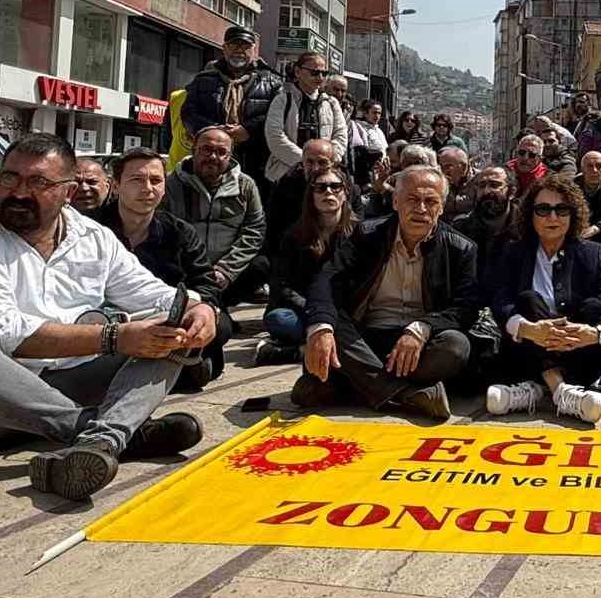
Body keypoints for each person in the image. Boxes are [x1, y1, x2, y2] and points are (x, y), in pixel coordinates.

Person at [0, 135, 214, 500]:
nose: (18, 192)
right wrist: (114, 337)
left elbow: (151, 293)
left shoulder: (94, 237)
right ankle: (110, 434)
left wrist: (198, 308)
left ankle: (97, 442)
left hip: (66, 385)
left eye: (38, 183)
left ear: (68, 192)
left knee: (170, 326)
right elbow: (10, 335)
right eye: (9, 178)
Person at [296, 166, 477, 420]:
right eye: (412, 199)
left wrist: (422, 328)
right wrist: (321, 328)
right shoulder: (366, 235)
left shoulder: (461, 248)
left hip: (418, 347)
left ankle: (354, 382)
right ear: (395, 201)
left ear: (442, 206)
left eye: (430, 201)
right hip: (365, 337)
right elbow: (326, 280)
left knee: (456, 347)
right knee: (331, 325)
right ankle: (408, 395)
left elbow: (465, 309)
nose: (421, 209)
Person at [487, 174, 601, 422]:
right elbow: (500, 298)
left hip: (582, 350)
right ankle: (562, 392)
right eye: (543, 209)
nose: (553, 217)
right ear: (530, 214)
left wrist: (594, 333)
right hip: (526, 348)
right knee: (528, 299)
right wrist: (527, 329)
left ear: (573, 214)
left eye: (561, 209)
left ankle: (536, 390)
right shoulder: (513, 252)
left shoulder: (594, 252)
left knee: (595, 305)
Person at [95, 148, 226, 380]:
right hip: (105, 323)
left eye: (156, 180)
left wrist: (200, 311)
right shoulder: (89, 229)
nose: (147, 188)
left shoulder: (180, 232)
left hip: (164, 317)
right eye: (136, 179)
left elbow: (206, 284)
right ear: (115, 185)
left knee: (219, 323)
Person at [162, 127, 266, 376]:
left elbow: (255, 229)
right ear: (193, 150)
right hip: (185, 276)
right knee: (217, 346)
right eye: (206, 150)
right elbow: (162, 232)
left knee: (262, 265)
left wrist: (226, 269)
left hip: (226, 275)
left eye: (221, 152)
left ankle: (218, 311)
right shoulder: (170, 185)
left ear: (230, 156)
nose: (213, 157)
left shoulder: (246, 186)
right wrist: (195, 274)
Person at [256, 162, 359, 365]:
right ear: (311, 195)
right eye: (320, 187)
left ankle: (298, 351)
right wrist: (314, 308)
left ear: (346, 192)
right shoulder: (294, 235)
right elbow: (281, 285)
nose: (328, 192)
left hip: (347, 309)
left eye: (335, 186)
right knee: (279, 319)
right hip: (305, 308)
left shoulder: (361, 232)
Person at [181, 25, 283, 194]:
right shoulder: (203, 80)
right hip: (210, 162)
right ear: (224, 48)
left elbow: (277, 118)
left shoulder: (272, 83)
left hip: (257, 165)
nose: (239, 51)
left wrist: (248, 130)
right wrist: (215, 133)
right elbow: (188, 114)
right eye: (234, 45)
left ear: (254, 50)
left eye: (245, 46)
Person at [265, 51, 350, 185]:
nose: (320, 78)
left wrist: (325, 162)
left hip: (323, 176)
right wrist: (306, 161)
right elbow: (275, 136)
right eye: (315, 73)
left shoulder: (331, 103)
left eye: (324, 73)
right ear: (298, 72)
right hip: (286, 175)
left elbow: (340, 136)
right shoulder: (283, 100)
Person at [451, 166, 517, 294]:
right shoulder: (460, 230)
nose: (487, 191)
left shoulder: (526, 229)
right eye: (481, 185)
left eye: (494, 185)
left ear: (512, 192)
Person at [349, 100, 389, 189]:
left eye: (379, 113)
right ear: (366, 113)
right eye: (374, 112)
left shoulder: (379, 131)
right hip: (367, 175)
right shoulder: (358, 127)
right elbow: (360, 152)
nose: (377, 116)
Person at [440, 145, 479, 217]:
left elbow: (465, 205)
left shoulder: (481, 180)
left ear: (463, 168)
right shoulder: (440, 179)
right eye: (440, 166)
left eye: (447, 166)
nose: (442, 171)